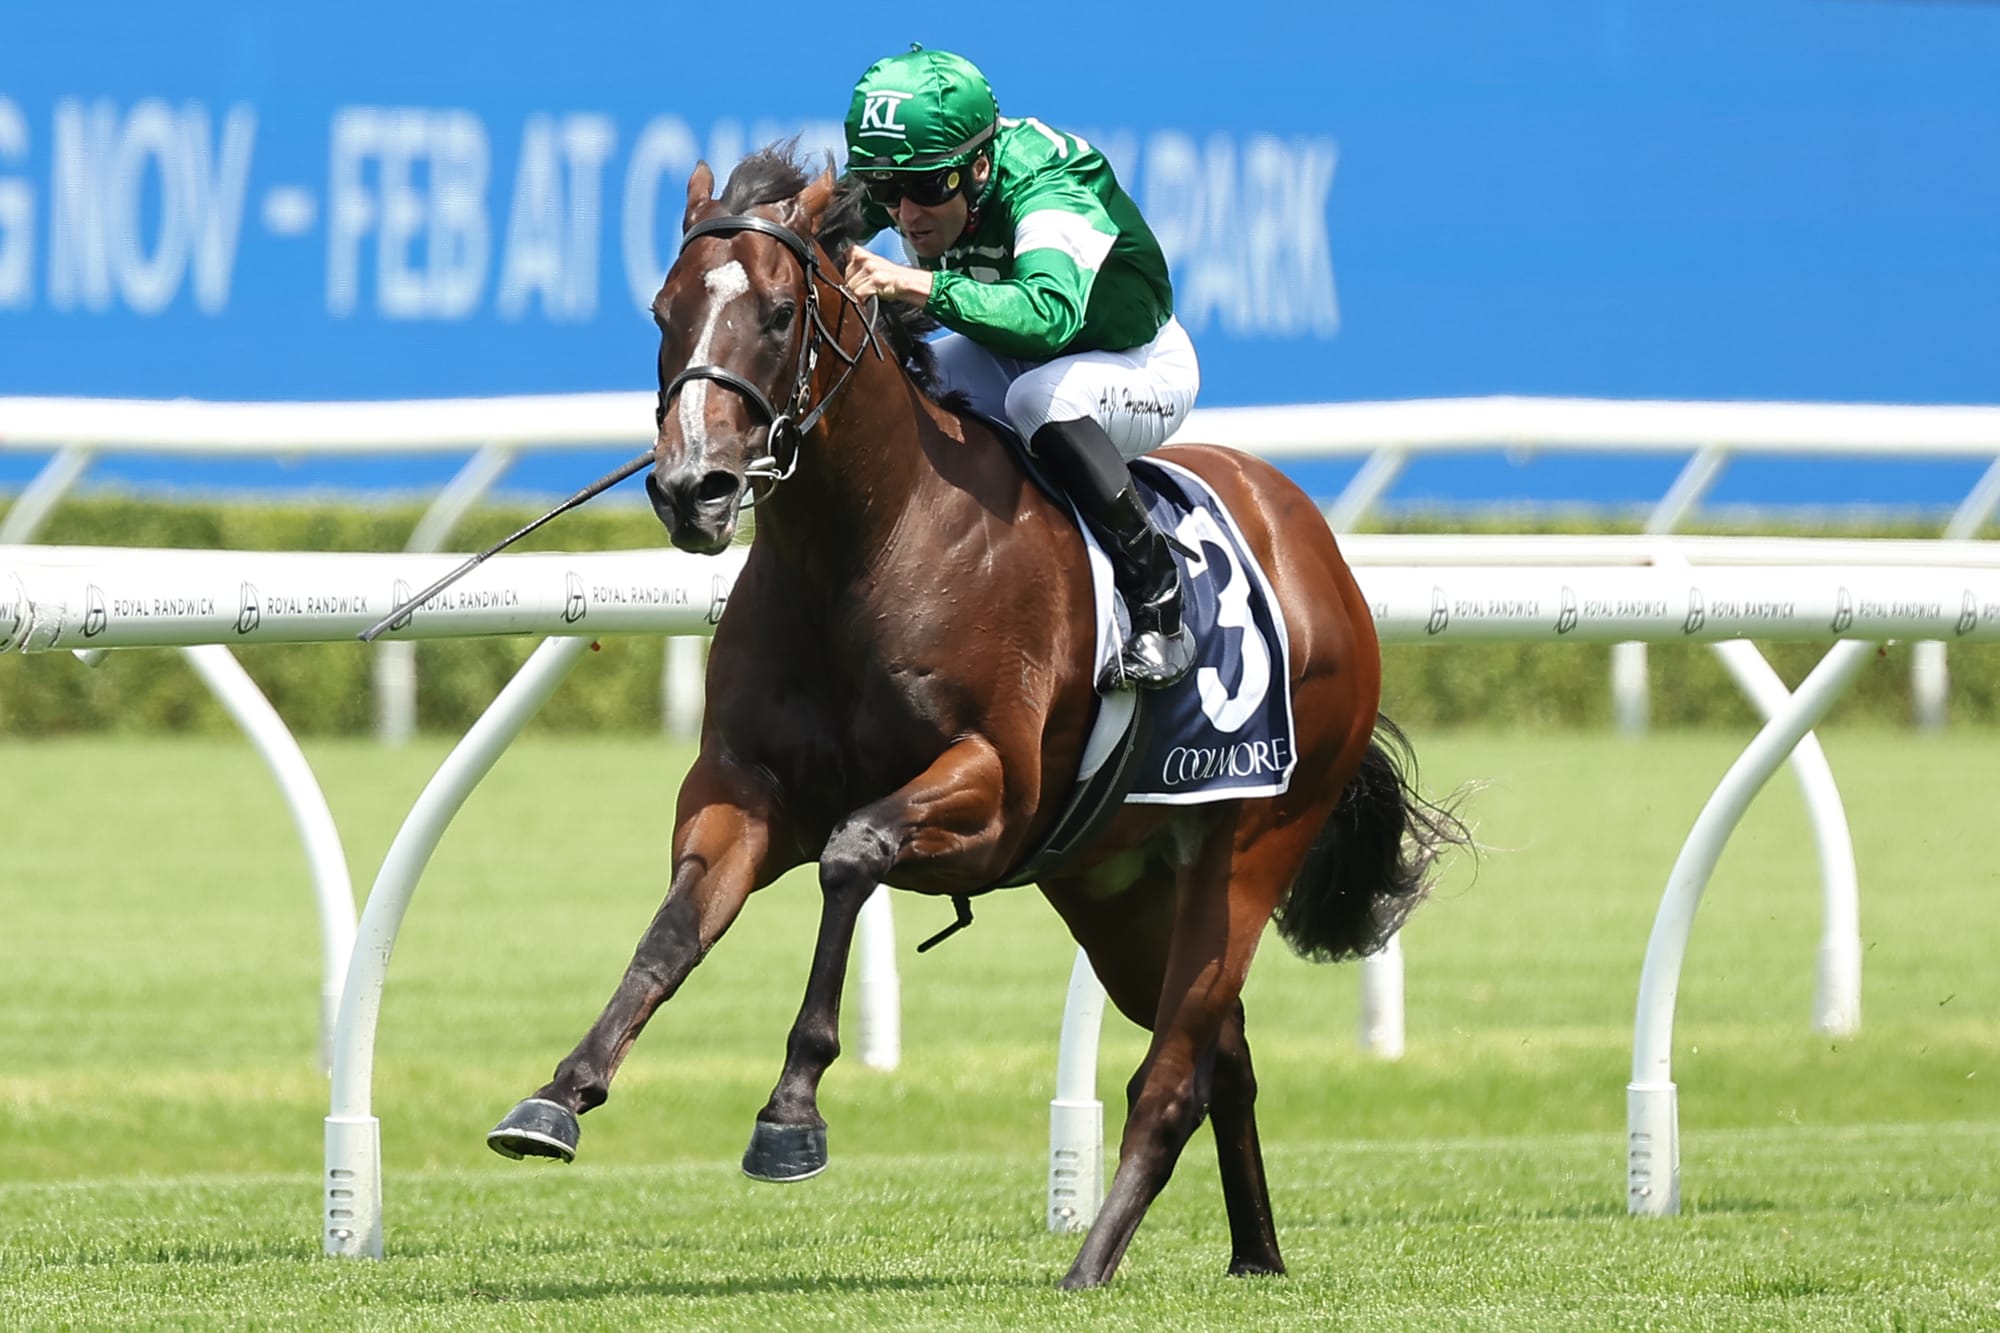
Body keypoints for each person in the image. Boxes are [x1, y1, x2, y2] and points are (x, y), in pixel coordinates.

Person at [839, 46, 1200, 691]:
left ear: (979, 166)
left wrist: (914, 283)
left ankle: (1160, 601)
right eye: (887, 189)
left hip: (1135, 361)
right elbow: (819, 217)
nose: (906, 213)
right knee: (904, 382)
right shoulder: (920, 168)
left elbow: (1047, 316)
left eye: (926, 188)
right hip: (1022, 355)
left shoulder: (1047, 183)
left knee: (1038, 400)